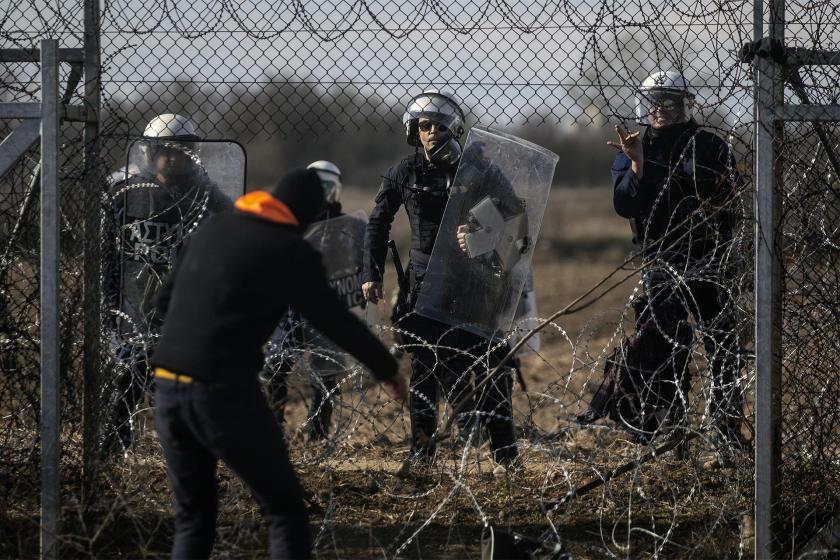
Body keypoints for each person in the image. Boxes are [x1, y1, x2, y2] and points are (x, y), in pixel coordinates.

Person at [150, 168, 409, 559]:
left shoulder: (214, 228)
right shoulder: (289, 250)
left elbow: (163, 303)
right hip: (221, 391)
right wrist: (387, 370)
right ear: (303, 215)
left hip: (167, 385)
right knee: (285, 510)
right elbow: (334, 319)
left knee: (194, 517)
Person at [577, 70, 746, 448]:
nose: (660, 111)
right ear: (644, 106)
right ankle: (670, 427)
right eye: (654, 103)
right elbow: (624, 204)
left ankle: (725, 428)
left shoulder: (709, 145)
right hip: (660, 260)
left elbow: (728, 198)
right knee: (665, 343)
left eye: (669, 102)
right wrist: (637, 164)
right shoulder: (633, 148)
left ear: (683, 105)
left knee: (722, 344)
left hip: (709, 257)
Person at [362, 89, 519, 474]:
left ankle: (506, 454)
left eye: (435, 125)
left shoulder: (479, 169)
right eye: (422, 126)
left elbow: (516, 216)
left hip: (474, 282)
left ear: (453, 128)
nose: (428, 132)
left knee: (490, 363)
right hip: (424, 284)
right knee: (426, 369)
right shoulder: (405, 171)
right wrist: (371, 272)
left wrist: (483, 237)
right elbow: (378, 221)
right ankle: (422, 451)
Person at [102, 113, 233, 454]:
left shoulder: (205, 196)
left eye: (181, 150)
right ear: (148, 152)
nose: (172, 158)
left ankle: (181, 452)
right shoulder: (127, 192)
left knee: (177, 389)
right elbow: (106, 249)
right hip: (134, 303)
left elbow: (234, 225)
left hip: (184, 307)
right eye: (164, 150)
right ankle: (114, 450)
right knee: (126, 378)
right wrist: (108, 301)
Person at [263, 160, 361, 441]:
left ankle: (317, 434)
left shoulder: (348, 226)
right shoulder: (288, 222)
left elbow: (359, 264)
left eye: (327, 188)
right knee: (276, 365)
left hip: (329, 305)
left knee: (327, 371)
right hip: (290, 307)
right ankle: (273, 423)